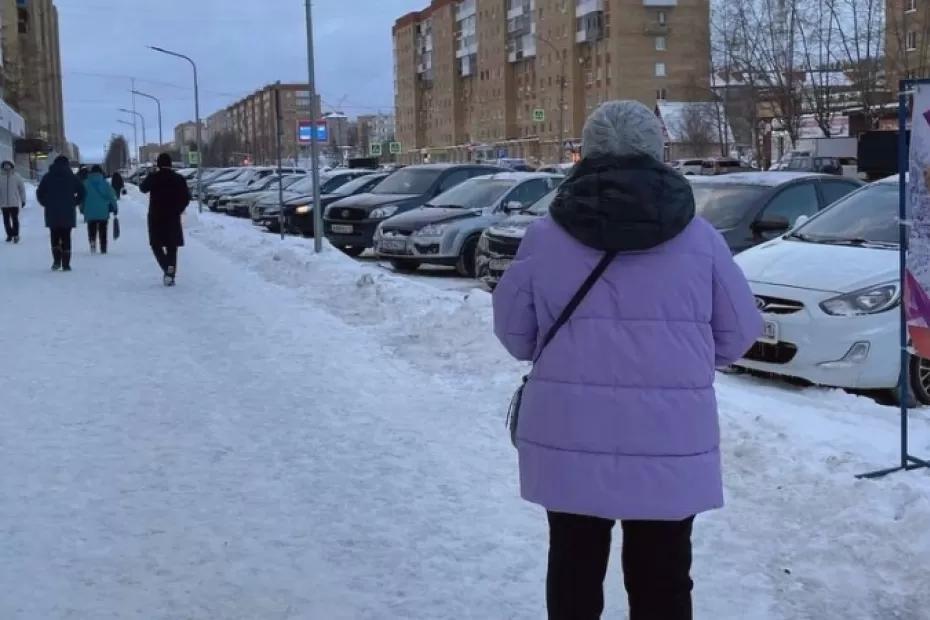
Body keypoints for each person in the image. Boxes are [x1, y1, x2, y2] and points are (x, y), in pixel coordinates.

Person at [492, 100, 762, 620]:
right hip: (668, 434)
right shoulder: (700, 240)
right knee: (662, 577)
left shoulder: (544, 238)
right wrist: (679, 365)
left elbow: (516, 335)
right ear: (657, 153)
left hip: (568, 429)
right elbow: (739, 333)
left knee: (572, 567)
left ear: (586, 154)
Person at [140, 153, 190, 286]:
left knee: (156, 245)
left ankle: (167, 268)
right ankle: (170, 273)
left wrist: (150, 175)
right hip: (172, 217)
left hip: (156, 216)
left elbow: (142, 188)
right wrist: (178, 209)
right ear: (171, 164)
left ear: (158, 164)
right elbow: (186, 197)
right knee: (172, 246)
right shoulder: (178, 178)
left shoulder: (154, 178)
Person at [36, 155, 85, 271]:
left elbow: (39, 192)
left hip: (52, 212)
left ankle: (56, 261)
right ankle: (66, 264)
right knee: (66, 237)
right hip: (68, 212)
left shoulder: (48, 177)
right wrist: (75, 202)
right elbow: (82, 192)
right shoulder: (72, 177)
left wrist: (46, 203)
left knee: (54, 236)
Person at [80, 164, 118, 254]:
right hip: (103, 211)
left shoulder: (85, 183)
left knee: (91, 228)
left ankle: (92, 243)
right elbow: (112, 196)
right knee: (103, 229)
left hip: (90, 211)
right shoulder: (105, 183)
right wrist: (115, 207)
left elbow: (82, 198)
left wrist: (82, 208)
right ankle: (103, 247)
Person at [0, 160, 26, 243]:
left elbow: (22, 189)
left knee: (15, 220)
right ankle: (9, 235)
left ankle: (16, 235)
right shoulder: (0, 177)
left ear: (12, 166)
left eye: (8, 165)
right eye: (5, 165)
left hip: (14, 203)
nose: (7, 167)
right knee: (6, 221)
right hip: (3, 203)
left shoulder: (16, 176)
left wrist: (23, 200)